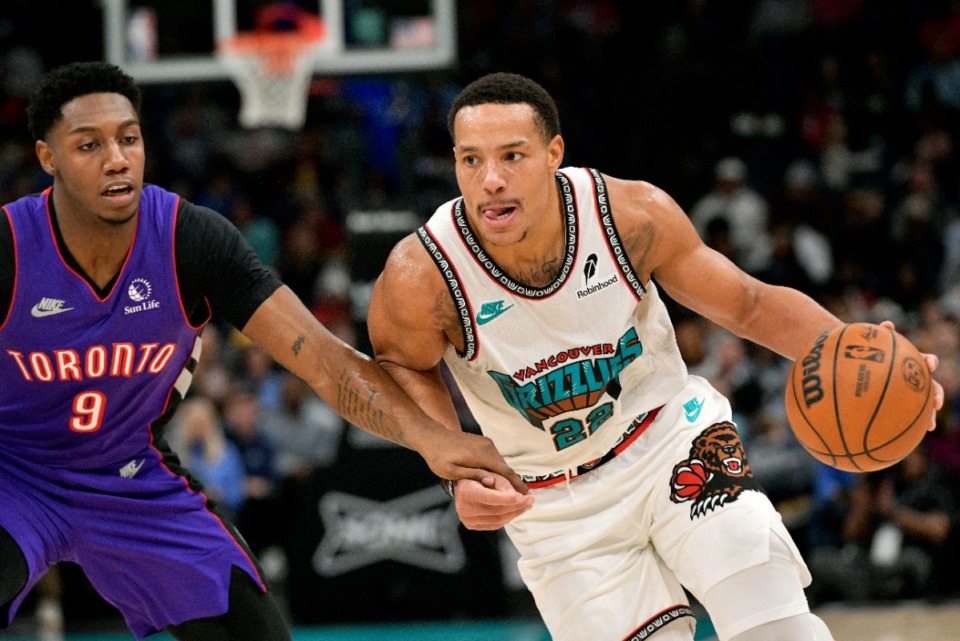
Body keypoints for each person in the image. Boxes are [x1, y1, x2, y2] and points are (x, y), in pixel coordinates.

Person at [366, 72, 945, 641]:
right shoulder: (422, 273)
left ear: (553, 153)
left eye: (511, 155)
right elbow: (401, 367)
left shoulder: (628, 214)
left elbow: (747, 304)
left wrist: (877, 361)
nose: (490, 179)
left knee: (778, 630)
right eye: (471, 160)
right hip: (551, 500)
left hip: (671, 442)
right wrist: (455, 470)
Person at [0, 61, 524, 641]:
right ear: (48, 159)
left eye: (128, 138)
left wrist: (438, 444)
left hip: (130, 477)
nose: (117, 158)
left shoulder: (190, 240)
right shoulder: (9, 248)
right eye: (88, 145)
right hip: (13, 475)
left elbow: (324, 361)